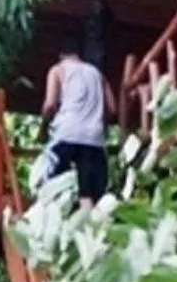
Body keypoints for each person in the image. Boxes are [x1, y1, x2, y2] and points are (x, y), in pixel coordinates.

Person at [34, 45, 116, 203]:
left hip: (66, 134)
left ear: (61, 55)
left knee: (53, 190)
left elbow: (50, 105)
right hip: (94, 139)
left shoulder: (58, 70)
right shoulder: (97, 74)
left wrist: (43, 128)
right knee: (89, 195)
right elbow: (112, 109)